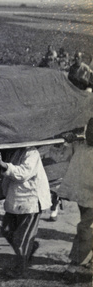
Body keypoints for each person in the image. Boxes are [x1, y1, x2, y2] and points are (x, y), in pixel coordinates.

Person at [0, 146, 52, 278]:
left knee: (22, 238)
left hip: (29, 200)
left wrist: (4, 165)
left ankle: (20, 268)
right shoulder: (14, 151)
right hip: (15, 199)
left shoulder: (31, 152)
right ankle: (29, 249)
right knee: (6, 229)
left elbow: (23, 173)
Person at [57, 118, 93, 276]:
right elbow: (63, 155)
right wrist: (68, 141)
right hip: (83, 196)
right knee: (87, 228)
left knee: (85, 228)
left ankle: (75, 265)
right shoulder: (81, 146)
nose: (90, 133)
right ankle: (87, 258)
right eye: (90, 129)